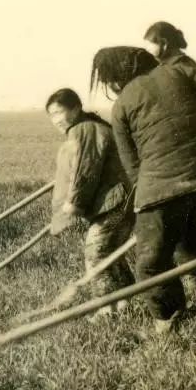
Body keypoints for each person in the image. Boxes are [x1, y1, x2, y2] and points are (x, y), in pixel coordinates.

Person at [90, 46, 196, 335]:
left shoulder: (121, 104)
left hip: (158, 191)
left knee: (151, 265)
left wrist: (148, 203)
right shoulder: (181, 70)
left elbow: (132, 165)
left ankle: (168, 323)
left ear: (115, 77)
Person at [46, 88, 135, 318]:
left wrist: (73, 205)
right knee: (112, 253)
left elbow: (85, 172)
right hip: (121, 200)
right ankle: (125, 305)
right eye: (51, 115)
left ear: (76, 108)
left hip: (114, 201)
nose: (56, 120)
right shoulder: (87, 127)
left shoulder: (84, 129)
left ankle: (107, 310)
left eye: (59, 112)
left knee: (96, 254)